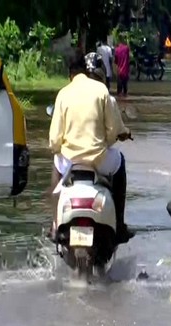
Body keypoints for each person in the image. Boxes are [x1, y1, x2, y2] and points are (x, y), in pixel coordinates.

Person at [48, 50, 134, 243]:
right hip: (99, 160)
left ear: (70, 73)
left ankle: (54, 224)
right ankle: (119, 225)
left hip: (70, 162)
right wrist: (105, 141)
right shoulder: (101, 91)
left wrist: (61, 149)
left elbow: (54, 141)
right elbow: (113, 131)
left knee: (56, 161)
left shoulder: (63, 93)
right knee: (120, 162)